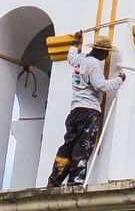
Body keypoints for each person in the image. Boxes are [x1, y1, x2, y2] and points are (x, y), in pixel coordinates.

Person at [47, 30, 122, 189]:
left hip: (75, 110)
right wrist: (119, 79)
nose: (106, 56)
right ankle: (75, 181)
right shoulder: (94, 64)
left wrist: (76, 43)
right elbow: (101, 86)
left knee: (68, 145)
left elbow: (70, 56)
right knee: (84, 145)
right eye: (106, 53)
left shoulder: (80, 59)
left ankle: (55, 179)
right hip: (89, 110)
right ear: (100, 51)